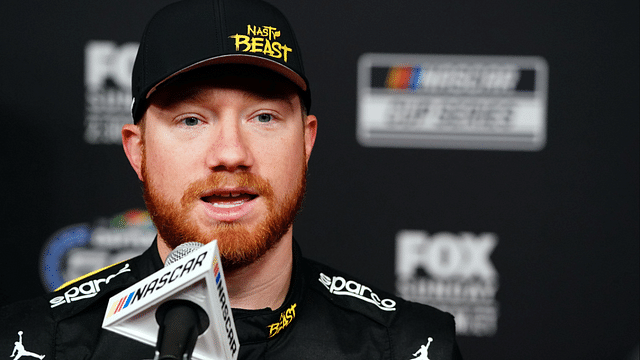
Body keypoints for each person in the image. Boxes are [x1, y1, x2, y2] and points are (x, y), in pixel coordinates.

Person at [0, 0, 463, 359]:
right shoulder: (37, 344)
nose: (230, 154)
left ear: (306, 141)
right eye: (190, 120)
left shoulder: (407, 346)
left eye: (263, 116)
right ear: (137, 150)